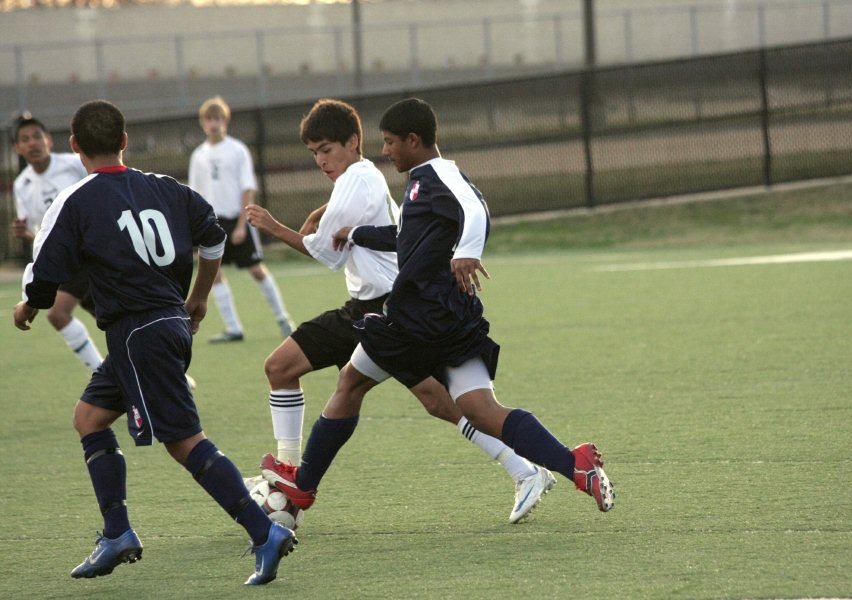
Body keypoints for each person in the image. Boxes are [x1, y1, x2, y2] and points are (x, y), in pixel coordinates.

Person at [260, 98, 615, 519]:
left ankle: (300, 491)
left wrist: (467, 251)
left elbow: (475, 208)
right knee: (481, 409)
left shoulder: (438, 174)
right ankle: (575, 466)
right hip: (451, 316)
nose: (386, 150)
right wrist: (357, 233)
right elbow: (407, 235)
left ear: (414, 140)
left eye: (391, 142)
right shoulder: (418, 183)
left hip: (414, 317)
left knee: (350, 384)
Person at [13, 100, 296, 585]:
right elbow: (214, 238)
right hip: (162, 326)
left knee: (184, 442)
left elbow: (44, 276)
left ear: (75, 146)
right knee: (89, 418)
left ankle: (263, 532)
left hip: (138, 333)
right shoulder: (167, 188)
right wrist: (200, 297)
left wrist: (29, 305)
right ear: (124, 140)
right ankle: (117, 532)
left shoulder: (75, 201)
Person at [188, 96, 294, 343]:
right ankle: (233, 327)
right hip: (212, 224)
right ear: (203, 123)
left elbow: (247, 187)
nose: (214, 124)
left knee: (256, 270)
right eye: (209, 119)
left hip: (237, 219)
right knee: (214, 275)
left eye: (218, 119)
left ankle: (283, 319)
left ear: (225, 121)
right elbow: (195, 193)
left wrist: (241, 224)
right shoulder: (199, 156)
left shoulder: (237, 150)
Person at [10, 113, 103, 372]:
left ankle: (103, 375)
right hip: (67, 261)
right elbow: (39, 234)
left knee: (58, 313)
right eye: (25, 139)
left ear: (49, 140)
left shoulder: (74, 164)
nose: (32, 143)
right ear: (18, 148)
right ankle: (167, 374)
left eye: (37, 136)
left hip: (92, 252)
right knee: (115, 320)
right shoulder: (22, 185)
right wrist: (25, 233)